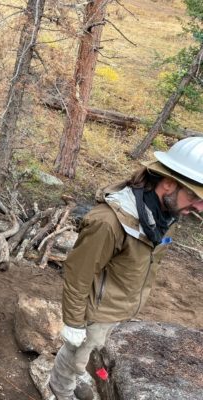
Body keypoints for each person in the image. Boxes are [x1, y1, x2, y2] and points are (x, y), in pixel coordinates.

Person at [48, 137, 203, 400]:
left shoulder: (166, 215)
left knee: (90, 351)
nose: (199, 207)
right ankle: (59, 390)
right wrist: (74, 322)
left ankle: (76, 374)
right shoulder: (109, 222)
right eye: (194, 196)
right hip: (96, 311)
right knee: (76, 353)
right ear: (168, 183)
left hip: (121, 307)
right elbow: (78, 272)